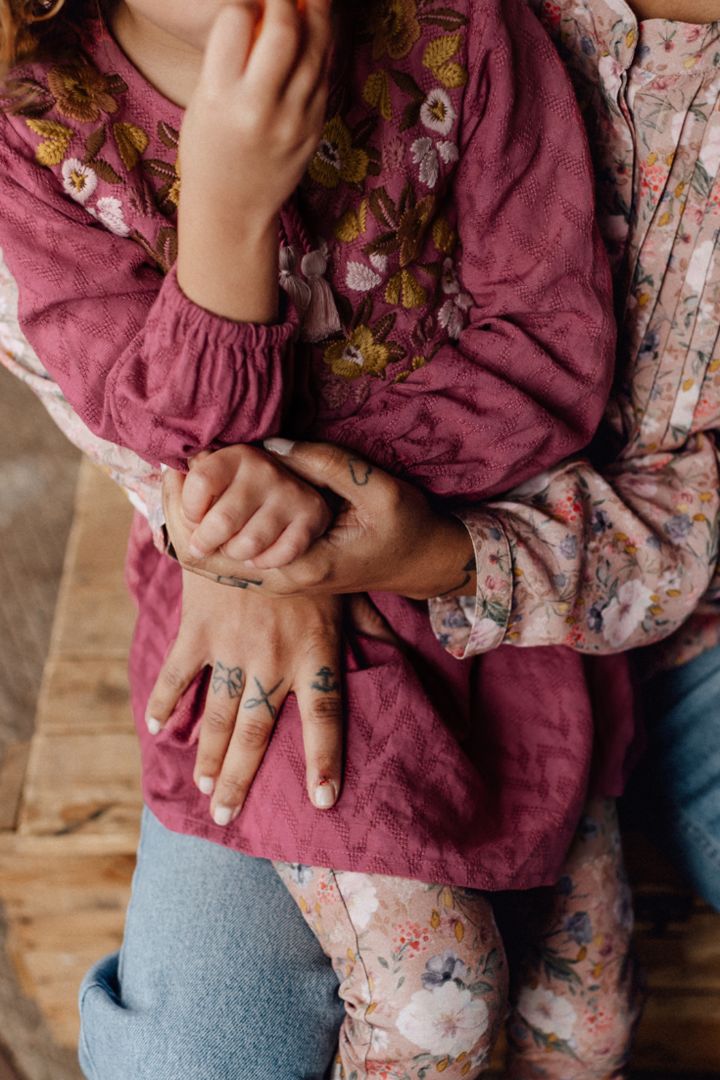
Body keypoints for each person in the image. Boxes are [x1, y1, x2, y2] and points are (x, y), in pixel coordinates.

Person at [0, 0, 641, 1077]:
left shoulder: (464, 29)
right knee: (438, 999)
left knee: (587, 1031)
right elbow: (161, 437)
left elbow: (551, 352)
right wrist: (226, 211)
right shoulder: (32, 129)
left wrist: (322, 500)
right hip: (268, 652)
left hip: (480, 585)